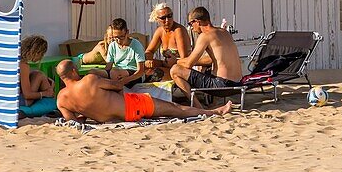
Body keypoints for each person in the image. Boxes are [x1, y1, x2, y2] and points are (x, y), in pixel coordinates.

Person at [55, 60, 231, 124]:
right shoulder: (89, 80)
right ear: (73, 72)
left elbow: (74, 122)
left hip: (108, 119)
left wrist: (87, 111)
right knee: (175, 108)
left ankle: (211, 111)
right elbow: (116, 86)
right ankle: (213, 111)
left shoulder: (61, 99)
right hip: (131, 107)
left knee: (171, 109)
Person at [169, 7, 244, 105]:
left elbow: (188, 65)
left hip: (222, 86)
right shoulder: (224, 32)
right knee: (204, 67)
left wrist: (176, 61)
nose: (191, 28)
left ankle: (198, 107)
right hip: (239, 83)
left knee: (175, 70)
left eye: (190, 24)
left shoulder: (205, 36)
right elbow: (211, 59)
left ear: (197, 22)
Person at [143, 3, 192, 80]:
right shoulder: (159, 31)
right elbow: (149, 51)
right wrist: (149, 61)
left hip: (179, 69)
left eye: (170, 16)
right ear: (157, 19)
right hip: (166, 65)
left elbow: (184, 59)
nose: (167, 20)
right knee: (142, 67)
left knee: (155, 74)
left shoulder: (178, 31)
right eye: (163, 18)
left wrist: (175, 61)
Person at [104, 18, 147, 87]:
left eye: (121, 37)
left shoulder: (136, 45)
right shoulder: (112, 45)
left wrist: (126, 80)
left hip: (133, 75)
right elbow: (108, 66)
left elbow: (140, 71)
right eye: (115, 37)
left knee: (115, 73)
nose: (118, 40)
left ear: (127, 32)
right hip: (118, 73)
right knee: (93, 73)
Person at [19, 34, 55, 106]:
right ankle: (51, 102)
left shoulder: (15, 60)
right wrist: (45, 93)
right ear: (36, 52)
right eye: (42, 54)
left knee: (36, 74)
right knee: (39, 75)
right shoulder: (23, 65)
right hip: (18, 101)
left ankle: (51, 99)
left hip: (6, 98)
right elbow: (27, 95)